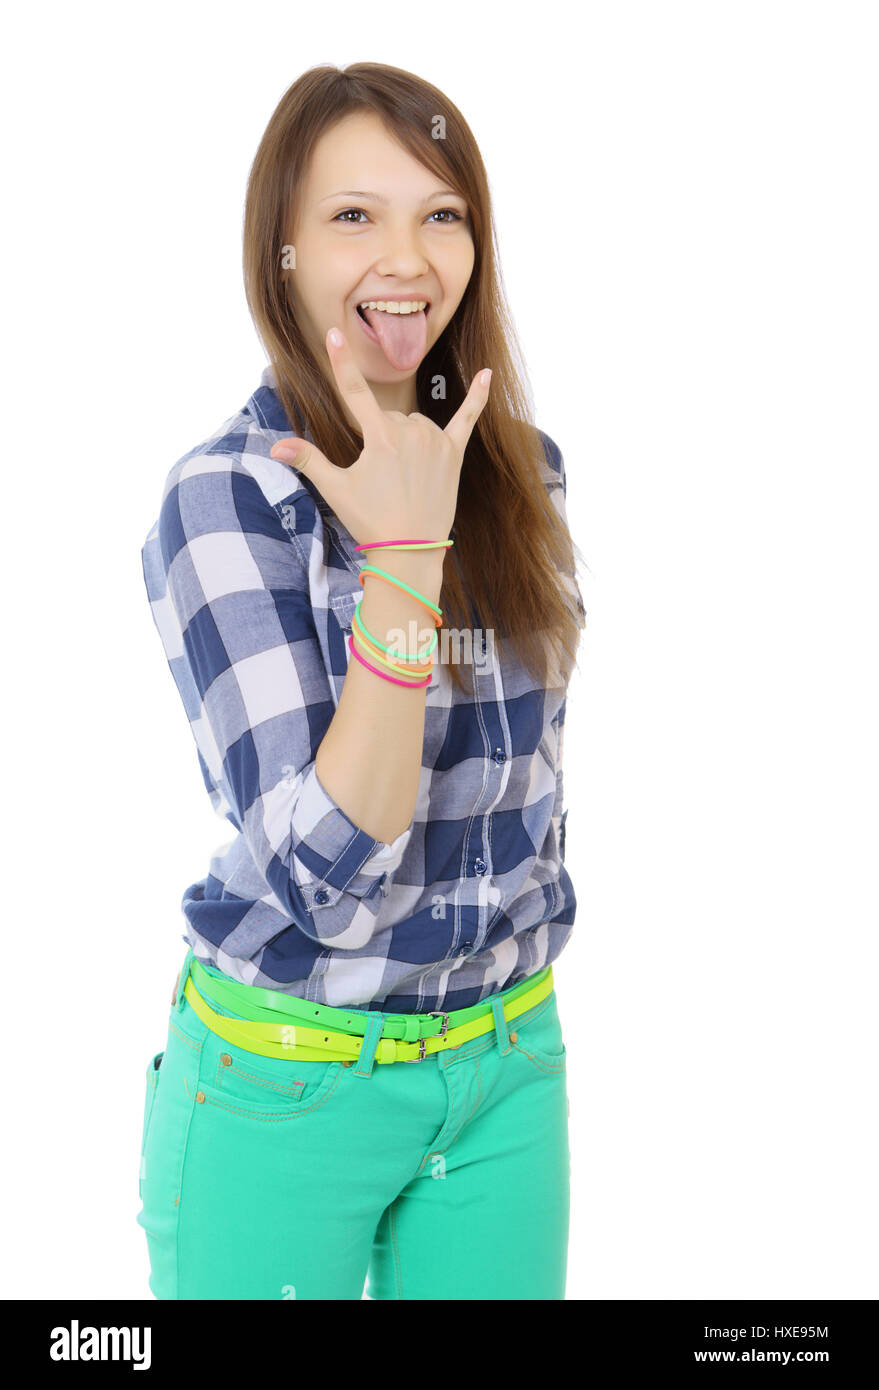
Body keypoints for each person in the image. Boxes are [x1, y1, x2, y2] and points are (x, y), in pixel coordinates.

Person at [137, 61, 587, 1301]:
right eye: (353, 217)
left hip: (505, 1069)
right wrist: (402, 560)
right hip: (290, 1081)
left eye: (441, 214)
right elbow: (328, 878)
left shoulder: (522, 474)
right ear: (280, 252)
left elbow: (525, 795)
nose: (408, 255)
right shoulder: (226, 500)